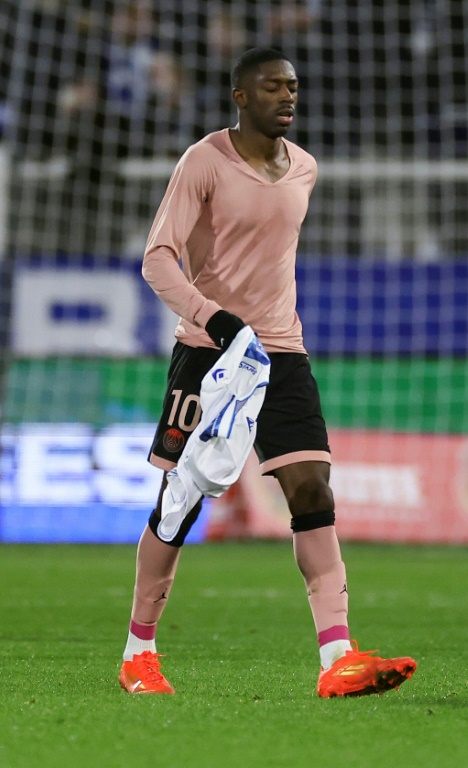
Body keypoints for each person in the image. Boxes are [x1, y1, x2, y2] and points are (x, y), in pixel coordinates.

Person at [119, 47, 417, 698]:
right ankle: (138, 651)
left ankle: (337, 657)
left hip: (280, 353)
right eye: (273, 87)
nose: (288, 96)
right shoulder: (203, 162)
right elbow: (158, 259)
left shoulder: (305, 168)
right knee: (181, 501)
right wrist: (216, 320)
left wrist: (257, 333)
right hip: (206, 351)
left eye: (293, 87)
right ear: (240, 98)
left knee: (312, 489)